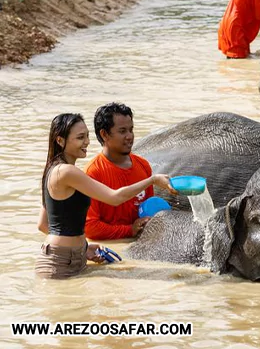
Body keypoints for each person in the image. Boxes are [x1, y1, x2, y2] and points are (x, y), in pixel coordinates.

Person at [36, 113, 176, 279]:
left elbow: (43, 225)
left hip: (67, 257)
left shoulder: (54, 169)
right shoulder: (67, 172)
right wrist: (152, 180)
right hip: (60, 262)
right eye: (80, 137)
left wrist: (83, 247)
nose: (87, 142)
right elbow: (114, 197)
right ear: (60, 141)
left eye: (87, 136)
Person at [84, 103, 155, 240]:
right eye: (122, 131)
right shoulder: (93, 172)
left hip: (140, 245)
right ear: (104, 134)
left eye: (131, 130)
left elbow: (149, 208)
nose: (130, 136)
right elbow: (90, 227)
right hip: (112, 248)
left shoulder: (143, 166)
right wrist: (129, 230)